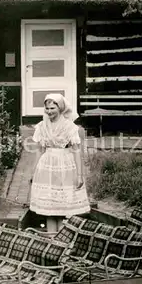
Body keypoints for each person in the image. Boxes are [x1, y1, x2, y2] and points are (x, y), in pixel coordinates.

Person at [29, 93, 90, 233]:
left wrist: (80, 175)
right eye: (47, 108)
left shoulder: (69, 127)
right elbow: (39, 150)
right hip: (47, 166)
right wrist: (34, 172)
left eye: (53, 108)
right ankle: (52, 242)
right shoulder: (42, 126)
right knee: (50, 208)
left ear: (60, 108)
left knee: (63, 207)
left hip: (65, 166)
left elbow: (76, 151)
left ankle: (62, 242)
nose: (49, 111)